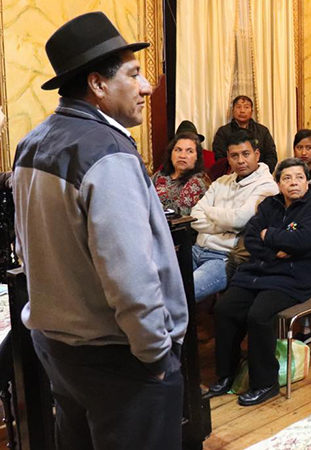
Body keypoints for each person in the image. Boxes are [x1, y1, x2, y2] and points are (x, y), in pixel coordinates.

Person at [12, 12, 187, 448]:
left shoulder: (32, 142)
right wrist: (156, 355)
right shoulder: (107, 152)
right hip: (119, 359)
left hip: (59, 349)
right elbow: (131, 276)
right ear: (97, 84)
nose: (147, 87)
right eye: (133, 74)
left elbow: (26, 247)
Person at [206, 158, 311, 406]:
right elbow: (250, 238)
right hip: (258, 272)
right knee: (224, 309)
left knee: (258, 316)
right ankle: (226, 375)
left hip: (292, 279)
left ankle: (265, 383)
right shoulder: (269, 206)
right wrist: (276, 249)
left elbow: (304, 241)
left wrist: (269, 235)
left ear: (307, 182)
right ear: (278, 182)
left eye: (299, 177)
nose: (293, 182)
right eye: (287, 178)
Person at [190, 129, 279, 302]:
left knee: (184, 292)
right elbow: (195, 216)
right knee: (159, 282)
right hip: (196, 249)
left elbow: (238, 221)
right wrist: (226, 222)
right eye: (234, 156)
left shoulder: (266, 187)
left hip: (223, 257)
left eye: (246, 154)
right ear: (228, 158)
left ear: (257, 154)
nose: (240, 161)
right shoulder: (221, 181)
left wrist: (209, 211)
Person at [212, 95, 278, 172]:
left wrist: (261, 173)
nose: (242, 110)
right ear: (233, 111)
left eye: (246, 107)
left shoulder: (262, 131)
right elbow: (219, 157)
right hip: (232, 176)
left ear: (251, 112)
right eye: (238, 107)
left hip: (259, 175)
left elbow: (271, 156)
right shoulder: (223, 132)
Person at [152, 130, 210, 216]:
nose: (182, 156)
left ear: (197, 157)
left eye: (189, 151)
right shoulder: (160, 175)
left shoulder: (197, 182)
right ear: (171, 153)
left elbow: (176, 212)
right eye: (178, 150)